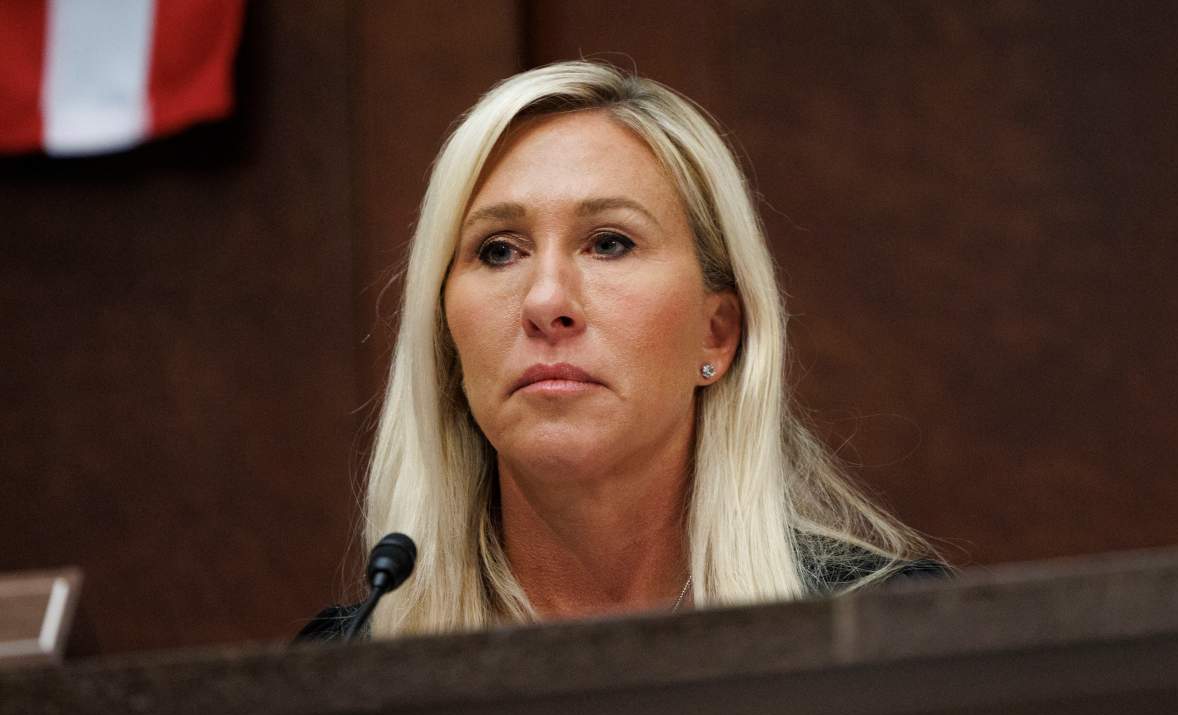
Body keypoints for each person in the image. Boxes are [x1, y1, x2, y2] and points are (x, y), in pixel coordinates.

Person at [299, 61, 944, 642]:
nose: (546, 300)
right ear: (446, 336)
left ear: (716, 332)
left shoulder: (891, 636)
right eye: (498, 249)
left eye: (609, 243)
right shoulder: (344, 670)